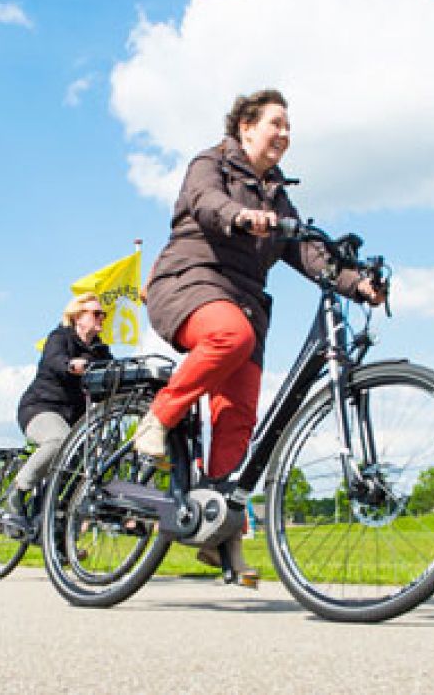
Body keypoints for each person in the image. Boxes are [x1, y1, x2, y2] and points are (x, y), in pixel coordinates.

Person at [135, 89, 386, 584]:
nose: (285, 135)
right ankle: (155, 421)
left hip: (246, 310)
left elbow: (309, 255)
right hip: (188, 283)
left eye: (289, 128)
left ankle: (218, 536)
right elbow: (205, 203)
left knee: (239, 419)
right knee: (230, 336)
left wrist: (357, 284)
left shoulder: (277, 194)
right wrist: (240, 215)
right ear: (246, 126)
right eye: (277, 123)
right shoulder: (211, 163)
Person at [5, 293, 113, 529]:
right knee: (59, 440)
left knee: (86, 462)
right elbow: (54, 361)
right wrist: (71, 365)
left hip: (75, 419)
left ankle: (57, 531)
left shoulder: (101, 352)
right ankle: (16, 491)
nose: (101, 318)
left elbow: (113, 377)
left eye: (102, 314)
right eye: (95, 313)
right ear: (77, 316)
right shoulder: (60, 337)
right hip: (40, 408)